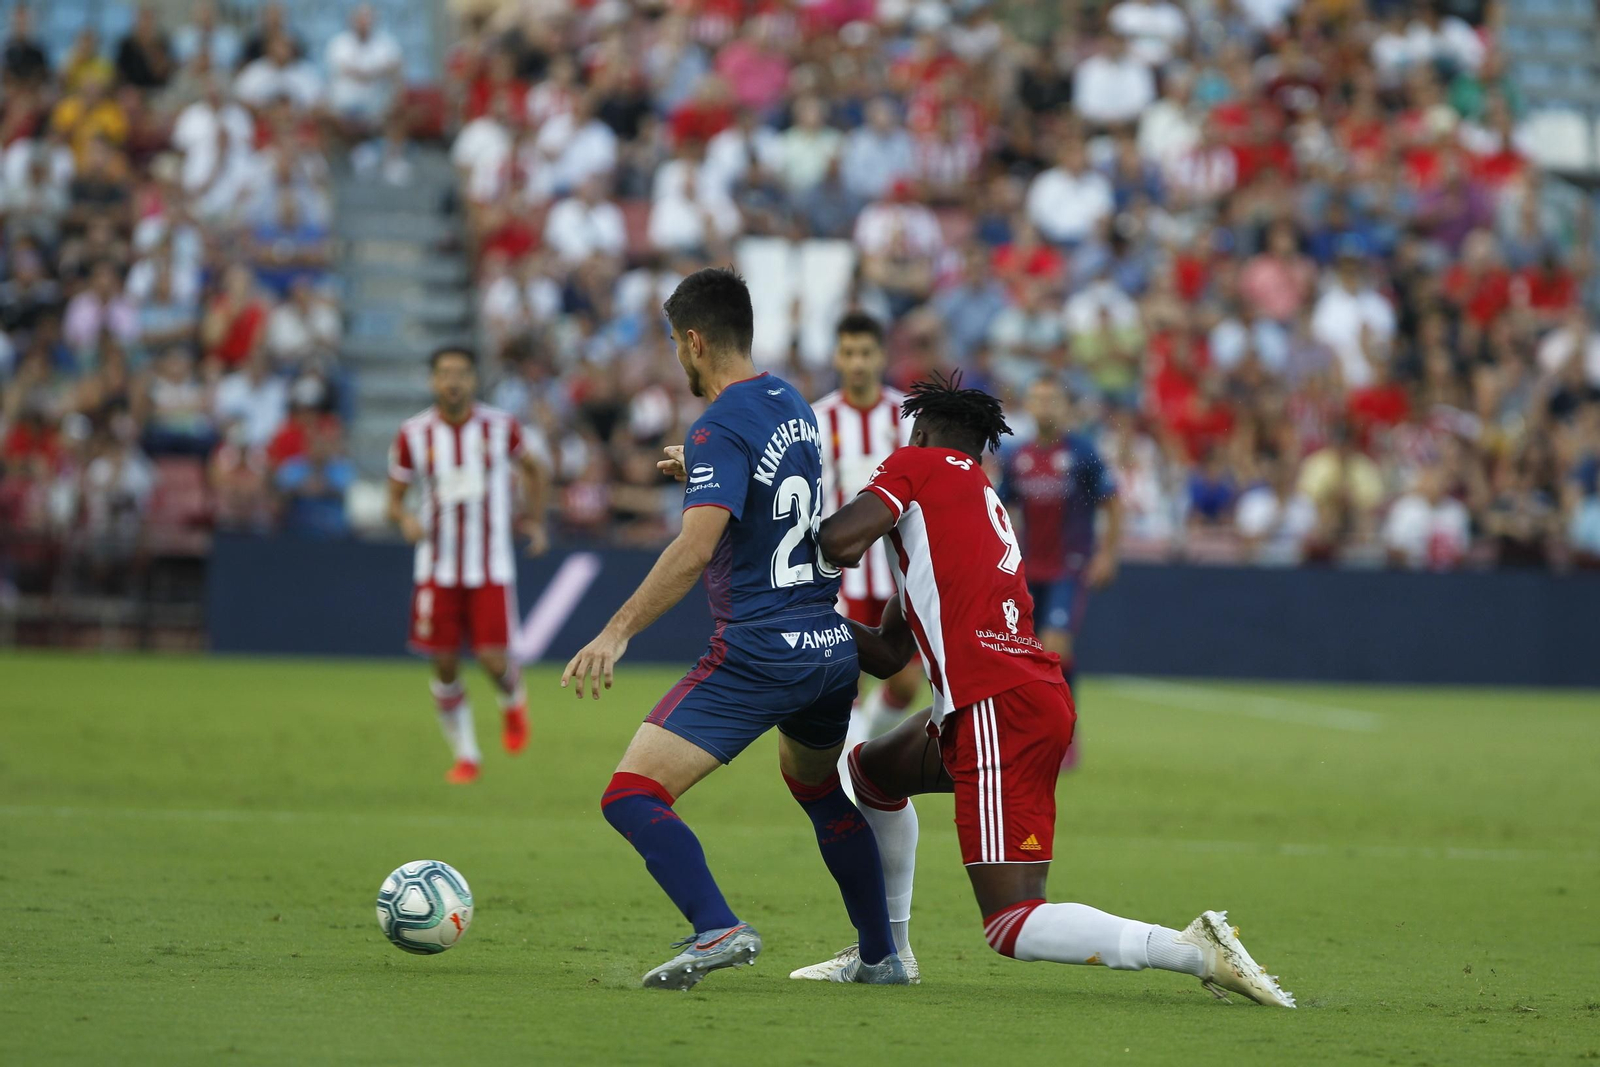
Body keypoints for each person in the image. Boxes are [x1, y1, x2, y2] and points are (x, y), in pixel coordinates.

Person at [791, 374, 1295, 1008]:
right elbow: (892, 653)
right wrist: (809, 619)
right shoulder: (974, 499)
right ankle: (886, 956)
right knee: (870, 775)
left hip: (996, 708)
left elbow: (837, 540)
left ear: (920, 434)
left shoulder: (916, 464)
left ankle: (1192, 949)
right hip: (1007, 701)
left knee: (1011, 923)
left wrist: (768, 541)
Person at [560, 268, 906, 990]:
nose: (678, 361)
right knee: (817, 790)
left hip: (760, 650)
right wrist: (706, 465)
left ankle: (716, 926)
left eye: (676, 347)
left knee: (629, 794)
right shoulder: (794, 403)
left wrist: (615, 631)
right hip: (827, 646)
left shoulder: (718, 423)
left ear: (694, 341)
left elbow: (693, 548)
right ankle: (881, 954)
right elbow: (778, 491)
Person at [386, 345, 551, 784]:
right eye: (444, 373)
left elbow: (535, 468)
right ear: (433, 381)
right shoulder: (413, 433)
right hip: (436, 569)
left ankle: (513, 701)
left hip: (490, 567)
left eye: (461, 372)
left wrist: (534, 519)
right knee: (443, 666)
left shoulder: (501, 427)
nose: (453, 381)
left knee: (493, 661)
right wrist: (403, 519)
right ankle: (467, 755)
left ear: (474, 380)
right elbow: (394, 498)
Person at [812, 313, 923, 764]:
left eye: (866, 353)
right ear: (838, 357)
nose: (857, 363)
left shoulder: (907, 418)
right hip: (842, 578)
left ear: (881, 356)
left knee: (908, 681)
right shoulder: (819, 419)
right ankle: (852, 770)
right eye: (849, 353)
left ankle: (865, 745)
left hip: (898, 576)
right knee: (844, 685)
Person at [999, 378, 1120, 722]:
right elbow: (999, 506)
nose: (1044, 406)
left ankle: (1062, 727)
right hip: (1027, 569)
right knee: (1028, 653)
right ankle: (1047, 725)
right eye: (1037, 399)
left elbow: (1112, 502)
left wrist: (1108, 553)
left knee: (1053, 647)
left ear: (1065, 407)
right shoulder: (1016, 456)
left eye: (1051, 399)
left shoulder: (1082, 452)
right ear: (1028, 406)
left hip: (1069, 566)